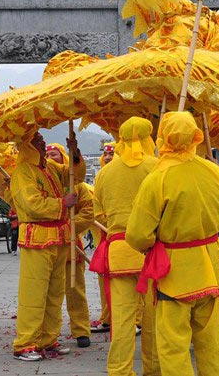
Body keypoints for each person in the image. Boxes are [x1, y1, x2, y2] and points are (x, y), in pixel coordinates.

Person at [126, 112, 219, 376]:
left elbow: (137, 234)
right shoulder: (215, 171)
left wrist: (151, 244)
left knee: (174, 346)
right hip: (211, 264)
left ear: (163, 138)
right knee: (213, 342)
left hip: (175, 270)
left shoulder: (157, 178)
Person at [3, 130, 88, 361]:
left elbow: (75, 176)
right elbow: (32, 206)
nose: (42, 142)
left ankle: (48, 339)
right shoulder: (23, 172)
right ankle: (25, 343)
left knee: (54, 293)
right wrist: (63, 203)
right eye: (37, 140)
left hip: (58, 237)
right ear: (27, 146)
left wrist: (75, 153)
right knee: (34, 294)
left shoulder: (48, 167)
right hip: (37, 238)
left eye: (41, 139)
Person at [89, 117, 160, 375]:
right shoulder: (157, 167)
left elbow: (98, 216)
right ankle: (153, 370)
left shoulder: (105, 173)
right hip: (152, 252)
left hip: (119, 251)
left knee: (121, 321)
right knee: (153, 319)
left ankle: (120, 370)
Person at [45, 142, 95, 349]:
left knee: (75, 291)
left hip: (71, 245)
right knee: (48, 293)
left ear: (63, 157)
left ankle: (81, 330)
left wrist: (68, 228)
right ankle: (47, 333)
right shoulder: (42, 186)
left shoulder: (78, 186)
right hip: (47, 245)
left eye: (54, 154)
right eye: (47, 155)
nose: (50, 158)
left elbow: (89, 213)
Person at [90, 142, 115, 334]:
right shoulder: (101, 177)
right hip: (104, 236)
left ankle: (137, 320)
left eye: (112, 153)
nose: (108, 158)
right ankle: (108, 317)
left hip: (124, 235)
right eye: (105, 155)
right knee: (104, 280)